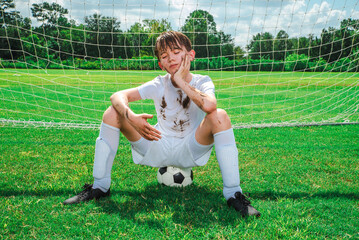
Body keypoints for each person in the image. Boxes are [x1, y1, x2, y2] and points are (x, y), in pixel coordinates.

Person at [63, 31, 260, 217]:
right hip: (157, 143)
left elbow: (209, 105)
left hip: (191, 146)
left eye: (176, 52)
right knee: (112, 112)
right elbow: (117, 96)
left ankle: (233, 194)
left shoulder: (203, 81)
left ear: (191, 55)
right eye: (165, 56)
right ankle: (100, 186)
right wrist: (130, 116)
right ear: (160, 64)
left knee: (220, 115)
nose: (171, 58)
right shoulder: (159, 83)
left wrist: (180, 81)